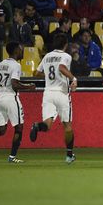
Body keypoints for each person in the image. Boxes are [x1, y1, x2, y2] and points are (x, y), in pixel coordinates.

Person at [30, 33, 78, 164]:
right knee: (67, 126)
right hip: (62, 93)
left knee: (47, 124)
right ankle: (69, 156)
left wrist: (48, 76)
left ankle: (37, 126)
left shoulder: (47, 56)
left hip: (48, 93)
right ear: (65, 45)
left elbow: (36, 73)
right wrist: (73, 78)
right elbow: (62, 68)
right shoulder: (66, 56)